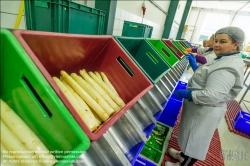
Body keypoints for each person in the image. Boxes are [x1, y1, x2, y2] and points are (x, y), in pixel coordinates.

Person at [165, 26, 245, 166]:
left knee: (195, 142)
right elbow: (210, 76)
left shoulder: (228, 67)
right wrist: (196, 68)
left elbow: (211, 95)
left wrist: (187, 93)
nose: (216, 44)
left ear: (235, 44)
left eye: (223, 41)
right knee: (190, 137)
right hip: (200, 109)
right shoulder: (224, 58)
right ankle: (182, 155)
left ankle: (183, 163)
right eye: (216, 40)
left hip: (205, 110)